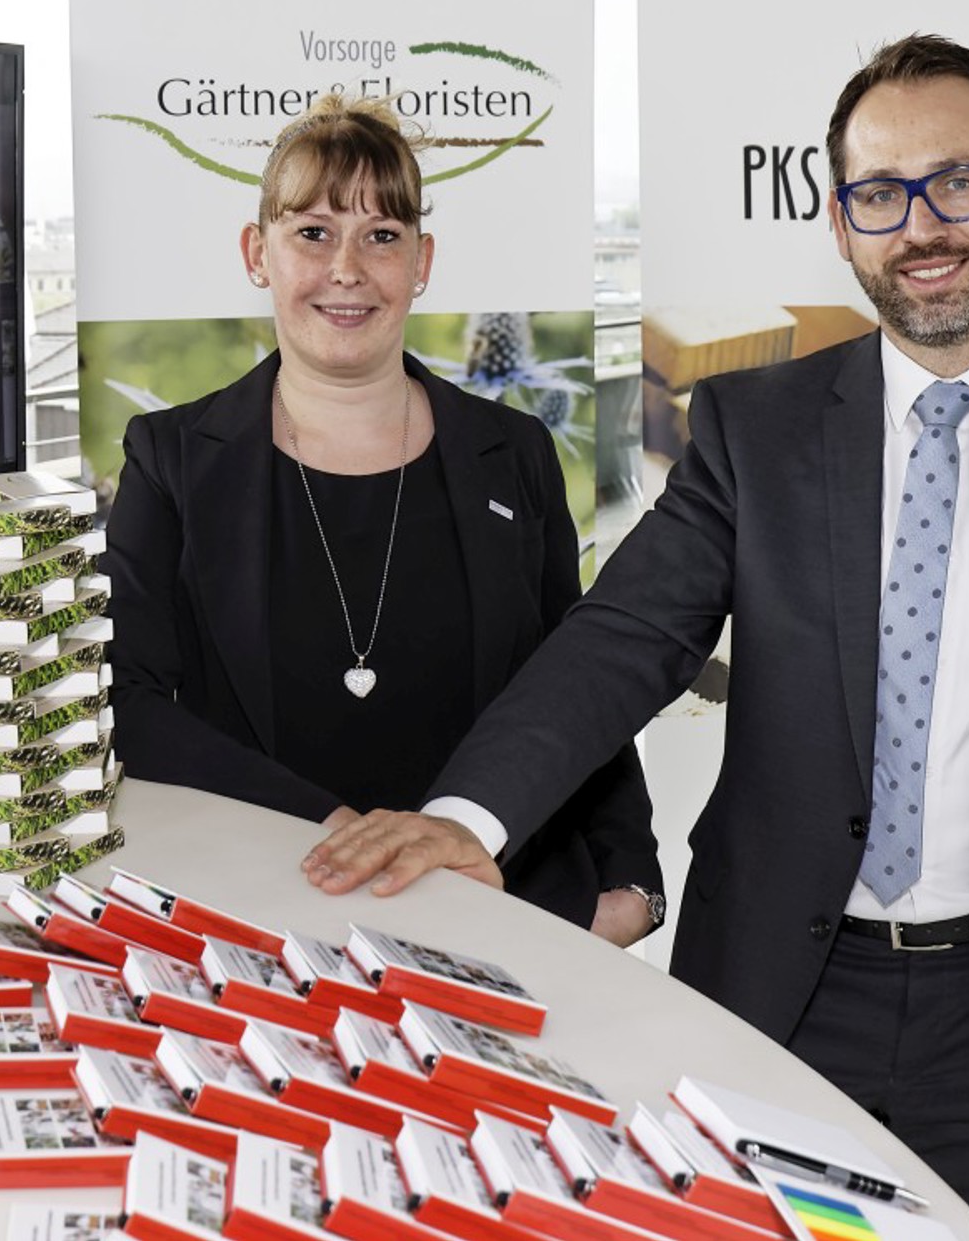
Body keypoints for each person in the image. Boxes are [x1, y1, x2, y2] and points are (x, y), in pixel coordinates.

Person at [305, 36, 969, 1240]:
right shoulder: (754, 427)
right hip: (778, 985)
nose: (919, 226)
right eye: (879, 194)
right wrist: (468, 818)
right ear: (839, 223)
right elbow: (624, 634)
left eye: (955, 181)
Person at [102, 94, 663, 946]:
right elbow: (128, 700)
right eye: (313, 232)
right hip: (263, 917)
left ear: (421, 261)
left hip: (497, 918)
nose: (348, 269)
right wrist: (340, 830)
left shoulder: (513, 454)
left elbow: (576, 678)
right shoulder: (171, 459)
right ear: (257, 253)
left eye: (382, 235)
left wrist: (631, 883)